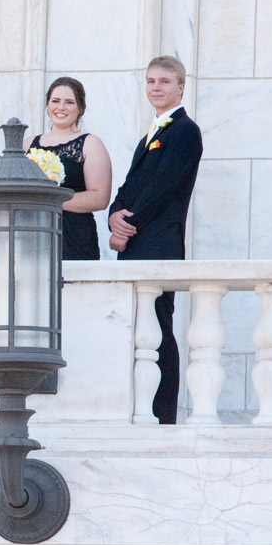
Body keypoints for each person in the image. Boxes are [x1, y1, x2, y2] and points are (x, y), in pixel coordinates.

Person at [109, 56, 203, 424]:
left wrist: (126, 226)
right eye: (150, 81)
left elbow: (164, 187)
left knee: (159, 329)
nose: (156, 87)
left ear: (181, 87)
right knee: (139, 331)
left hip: (160, 245)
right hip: (136, 246)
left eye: (164, 81)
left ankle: (164, 416)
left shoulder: (185, 131)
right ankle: (141, 409)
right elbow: (130, 186)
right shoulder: (148, 135)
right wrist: (114, 214)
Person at [28, 76, 112, 261]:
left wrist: (50, 200)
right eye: (55, 101)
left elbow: (100, 198)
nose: (61, 107)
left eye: (69, 102)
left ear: (80, 108)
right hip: (30, 235)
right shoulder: (28, 143)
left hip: (73, 237)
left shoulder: (91, 144)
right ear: (47, 105)